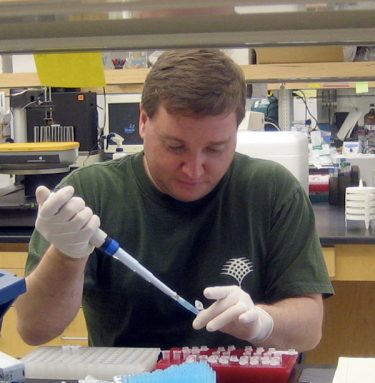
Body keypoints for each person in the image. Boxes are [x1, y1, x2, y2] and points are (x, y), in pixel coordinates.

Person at [15, 48, 334, 352]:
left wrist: (264, 323)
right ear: (143, 121)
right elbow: (33, 328)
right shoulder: (91, 193)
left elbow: (310, 329)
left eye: (215, 149)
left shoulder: (273, 191)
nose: (194, 169)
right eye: (175, 146)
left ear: (237, 131)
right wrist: (68, 255)